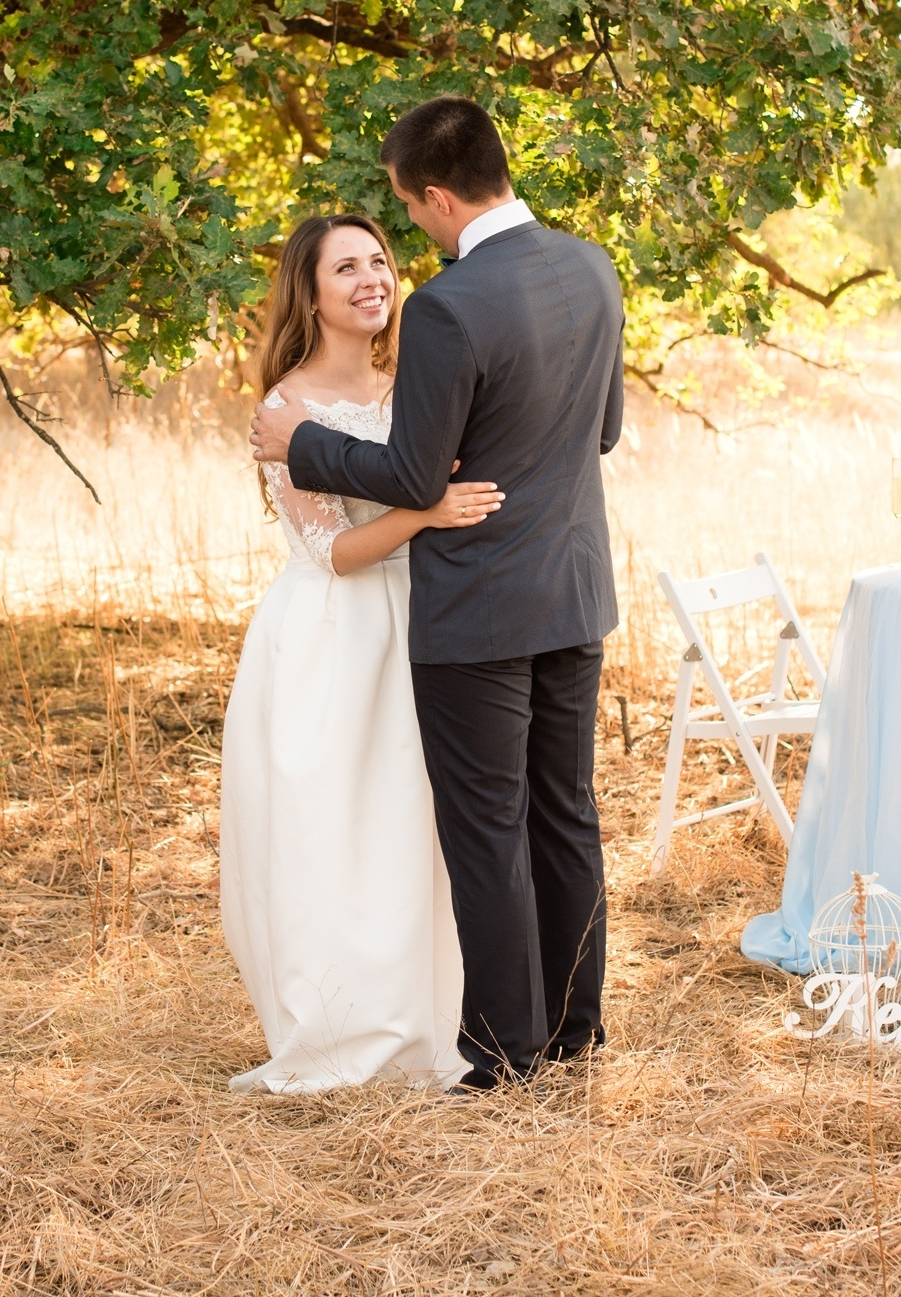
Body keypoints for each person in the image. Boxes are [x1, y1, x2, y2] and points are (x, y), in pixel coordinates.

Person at [251, 96, 625, 1090]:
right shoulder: (593, 265)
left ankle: (506, 1049)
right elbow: (603, 432)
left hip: (478, 613)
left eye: (408, 215)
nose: (407, 235)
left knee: (489, 828)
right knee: (566, 811)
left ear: (439, 195)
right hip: (576, 589)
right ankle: (578, 1025)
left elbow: (418, 477)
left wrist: (305, 444)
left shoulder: (451, 304)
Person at [219, 212, 508, 1092]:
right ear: (309, 294)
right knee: (336, 828)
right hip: (335, 638)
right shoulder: (285, 410)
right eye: (345, 268)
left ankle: (431, 1020)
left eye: (379, 261)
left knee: (414, 825)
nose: (370, 279)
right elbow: (331, 552)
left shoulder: (407, 386)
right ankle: (342, 1028)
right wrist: (428, 512)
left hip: (423, 622)